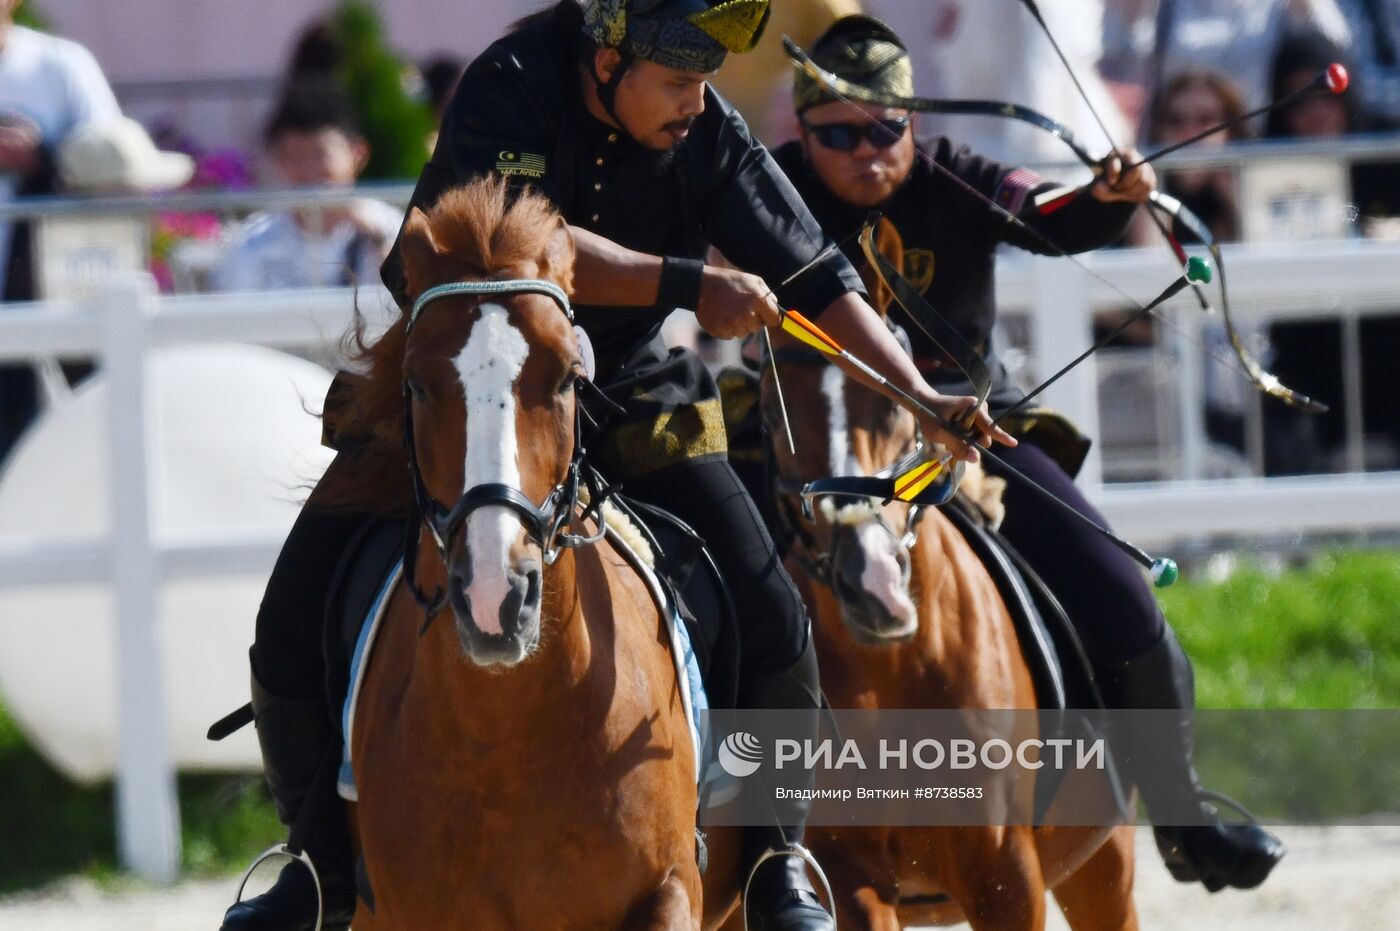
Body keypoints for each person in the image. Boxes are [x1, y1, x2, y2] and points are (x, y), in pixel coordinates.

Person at [219, 3, 1013, 930]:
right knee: (290, 613)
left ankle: (774, 859)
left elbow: (816, 275)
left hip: (628, 382)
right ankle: (314, 861)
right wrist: (686, 282)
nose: (696, 102)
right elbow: (523, 251)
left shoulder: (706, 127)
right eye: (677, 82)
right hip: (474, 373)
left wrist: (918, 389)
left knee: (773, 615)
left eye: (703, 82)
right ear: (606, 60)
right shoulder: (512, 83)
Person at [770, 14, 1285, 892]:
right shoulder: (768, 191)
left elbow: (1046, 215)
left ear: (913, 124)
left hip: (965, 433)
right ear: (802, 133)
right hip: (803, 435)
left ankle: (1181, 809)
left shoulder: (952, 178)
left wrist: (1107, 199)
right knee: (704, 580)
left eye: (885, 130)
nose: (867, 151)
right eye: (839, 136)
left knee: (1124, 594)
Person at [0, 0, 119, 464]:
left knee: (85, 430)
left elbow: (109, 164)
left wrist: (43, 157)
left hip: (60, 284)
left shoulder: (62, 65)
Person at [210, 81, 401, 293]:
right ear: (279, 161)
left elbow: (412, 301)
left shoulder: (390, 227)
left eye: (321, 155)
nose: (310, 171)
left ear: (357, 153)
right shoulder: (252, 242)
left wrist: (377, 239)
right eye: (296, 157)